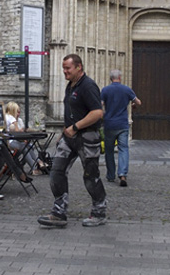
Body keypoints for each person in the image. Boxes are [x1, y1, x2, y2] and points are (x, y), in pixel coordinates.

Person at [38, 54, 107, 228]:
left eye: (67, 68)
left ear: (78, 67)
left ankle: (99, 212)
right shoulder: (70, 86)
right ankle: (59, 212)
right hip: (69, 138)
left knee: (91, 176)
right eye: (63, 68)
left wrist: (75, 127)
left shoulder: (88, 86)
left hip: (87, 137)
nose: (64, 71)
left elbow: (97, 113)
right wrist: (66, 131)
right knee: (56, 171)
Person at [101, 69, 141, 187]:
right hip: (122, 124)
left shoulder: (105, 90)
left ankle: (110, 175)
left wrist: (103, 114)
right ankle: (122, 174)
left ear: (110, 78)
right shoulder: (126, 89)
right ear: (120, 77)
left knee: (109, 150)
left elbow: (100, 104)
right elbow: (138, 102)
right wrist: (133, 104)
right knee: (123, 149)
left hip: (109, 124)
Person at [5, 101, 48, 174]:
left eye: (19, 112)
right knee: (25, 148)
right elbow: (17, 133)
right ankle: (35, 166)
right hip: (10, 142)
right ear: (13, 111)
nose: (18, 114)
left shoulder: (9, 117)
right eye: (17, 112)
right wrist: (21, 132)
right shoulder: (11, 118)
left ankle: (36, 164)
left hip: (11, 141)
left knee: (29, 146)